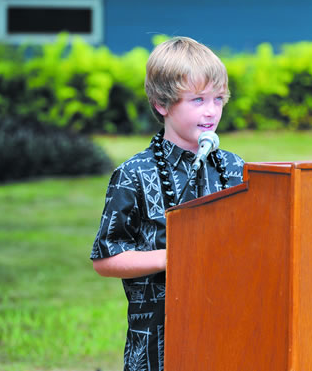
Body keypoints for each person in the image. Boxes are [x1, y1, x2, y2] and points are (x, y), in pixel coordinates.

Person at [90, 36, 245, 371]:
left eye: (218, 99)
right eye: (198, 99)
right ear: (162, 104)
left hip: (226, 333)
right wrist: (173, 256)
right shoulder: (133, 174)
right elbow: (106, 259)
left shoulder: (235, 169)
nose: (211, 111)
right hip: (155, 344)